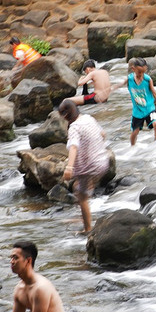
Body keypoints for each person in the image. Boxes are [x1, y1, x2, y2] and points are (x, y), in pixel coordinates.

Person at [58, 100, 110, 233]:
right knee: (78, 187)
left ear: (66, 116)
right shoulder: (88, 118)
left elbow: (74, 147)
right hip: (103, 162)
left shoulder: (74, 127)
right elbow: (103, 134)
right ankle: (83, 216)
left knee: (82, 197)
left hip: (90, 167)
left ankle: (87, 228)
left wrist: (69, 168)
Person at [122, 57, 156, 147]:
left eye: (143, 72)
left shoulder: (147, 79)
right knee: (135, 132)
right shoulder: (130, 79)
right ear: (133, 69)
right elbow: (121, 85)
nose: (141, 74)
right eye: (139, 72)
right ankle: (132, 147)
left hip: (149, 108)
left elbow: (154, 92)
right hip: (137, 111)